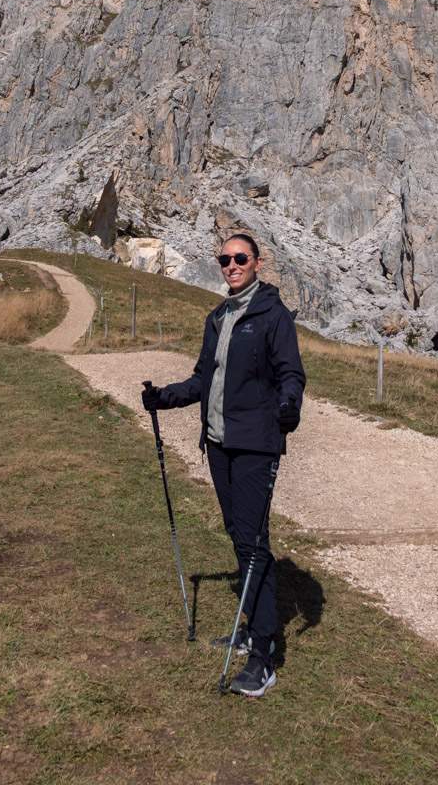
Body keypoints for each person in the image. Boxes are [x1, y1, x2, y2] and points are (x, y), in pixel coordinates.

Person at [142, 233, 305, 698]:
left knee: (254, 542)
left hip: (256, 445)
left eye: (240, 258)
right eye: (225, 260)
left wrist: (290, 404)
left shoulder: (272, 315)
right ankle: (254, 628)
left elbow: (291, 372)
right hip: (218, 445)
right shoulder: (218, 317)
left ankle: (264, 656)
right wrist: (164, 398)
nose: (231, 266)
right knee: (239, 535)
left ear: (257, 262)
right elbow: (202, 379)